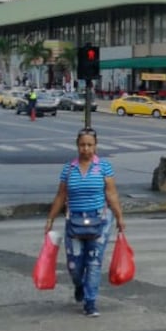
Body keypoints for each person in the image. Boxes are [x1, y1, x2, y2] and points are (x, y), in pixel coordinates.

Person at [43, 128, 125, 318]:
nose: (86, 149)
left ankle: (90, 302)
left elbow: (111, 193)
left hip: (100, 220)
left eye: (90, 145)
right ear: (77, 146)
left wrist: (120, 217)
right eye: (82, 145)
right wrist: (50, 219)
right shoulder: (69, 168)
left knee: (94, 262)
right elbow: (61, 195)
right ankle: (79, 285)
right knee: (74, 265)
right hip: (75, 221)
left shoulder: (104, 167)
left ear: (95, 146)